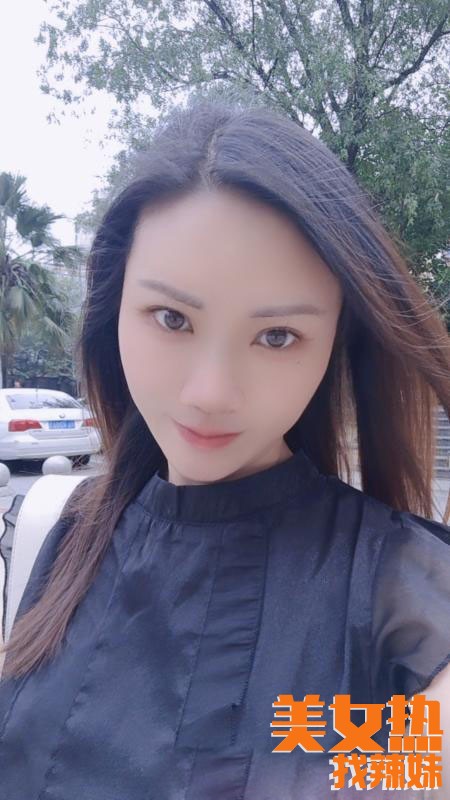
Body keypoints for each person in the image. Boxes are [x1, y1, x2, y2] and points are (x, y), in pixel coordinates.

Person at [0, 96, 449, 800]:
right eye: (171, 318)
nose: (210, 393)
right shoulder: (69, 534)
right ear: (114, 307)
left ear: (335, 343)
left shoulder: (403, 590)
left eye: (277, 336)